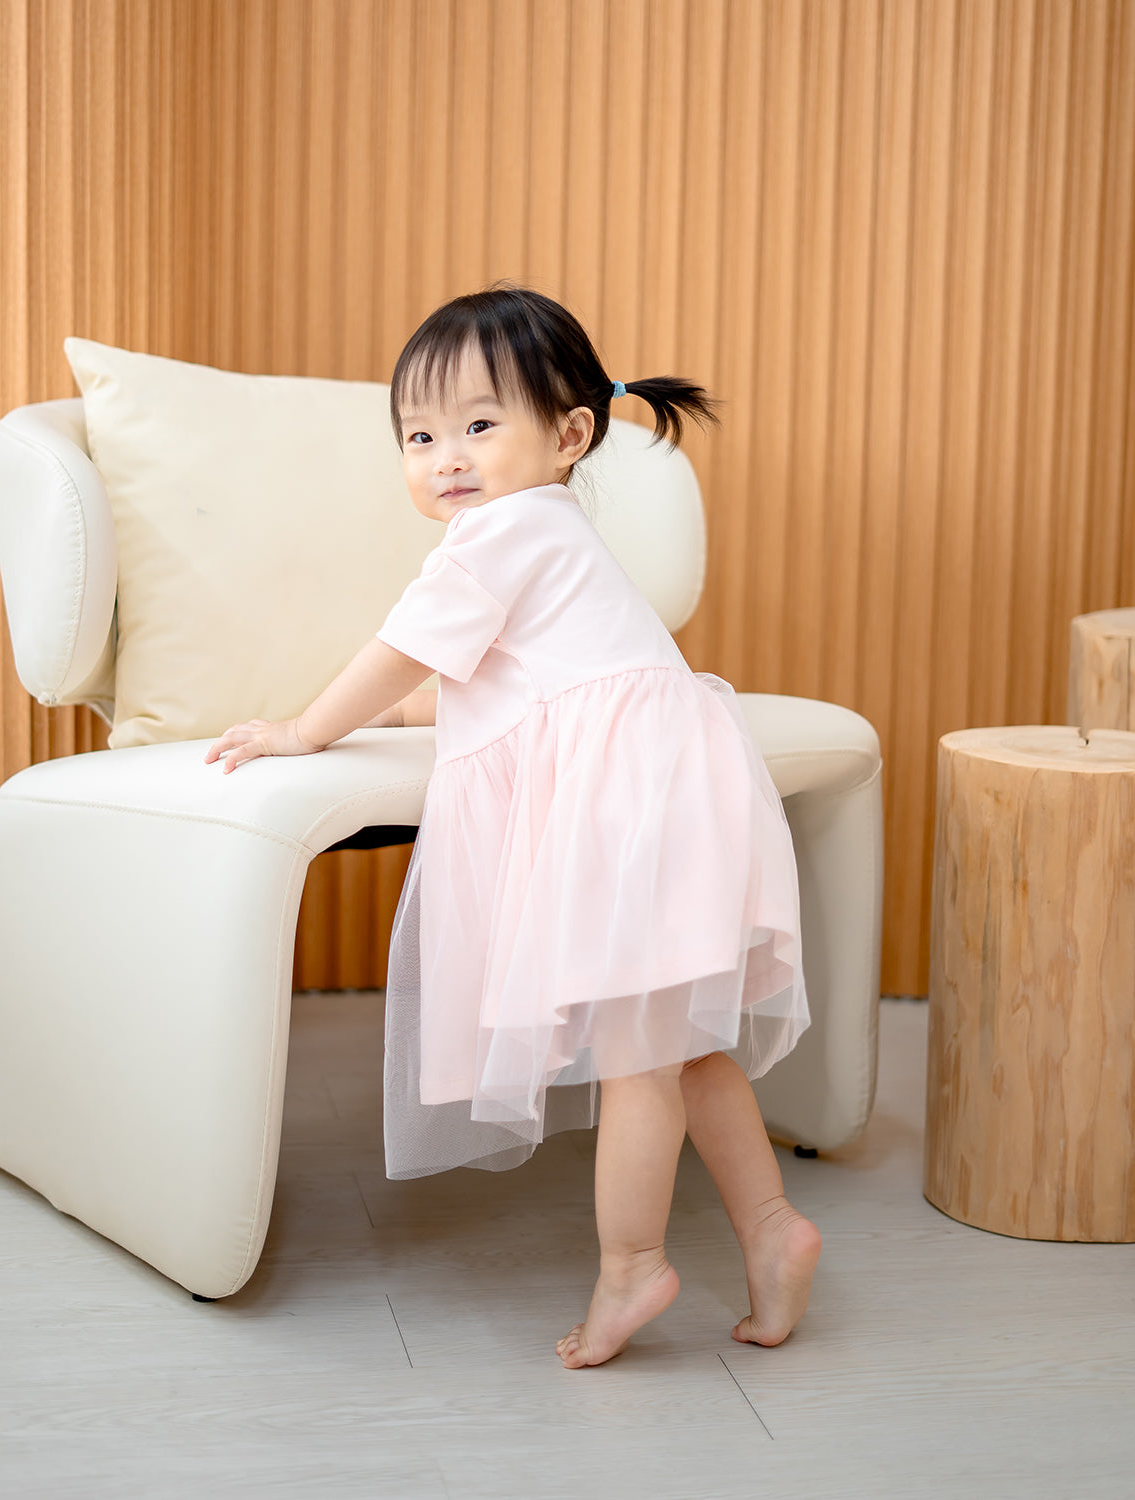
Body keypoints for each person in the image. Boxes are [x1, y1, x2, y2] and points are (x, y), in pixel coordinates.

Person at [205, 284, 821, 1369]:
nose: (447, 456)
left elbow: (401, 654)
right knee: (680, 1045)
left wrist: (305, 727)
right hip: (672, 780)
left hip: (627, 797)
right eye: (420, 434)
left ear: (569, 434)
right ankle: (774, 1229)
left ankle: (634, 1266)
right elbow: (467, 678)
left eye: (481, 426)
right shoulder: (547, 530)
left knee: (637, 1060)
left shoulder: (495, 536)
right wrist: (398, 715)